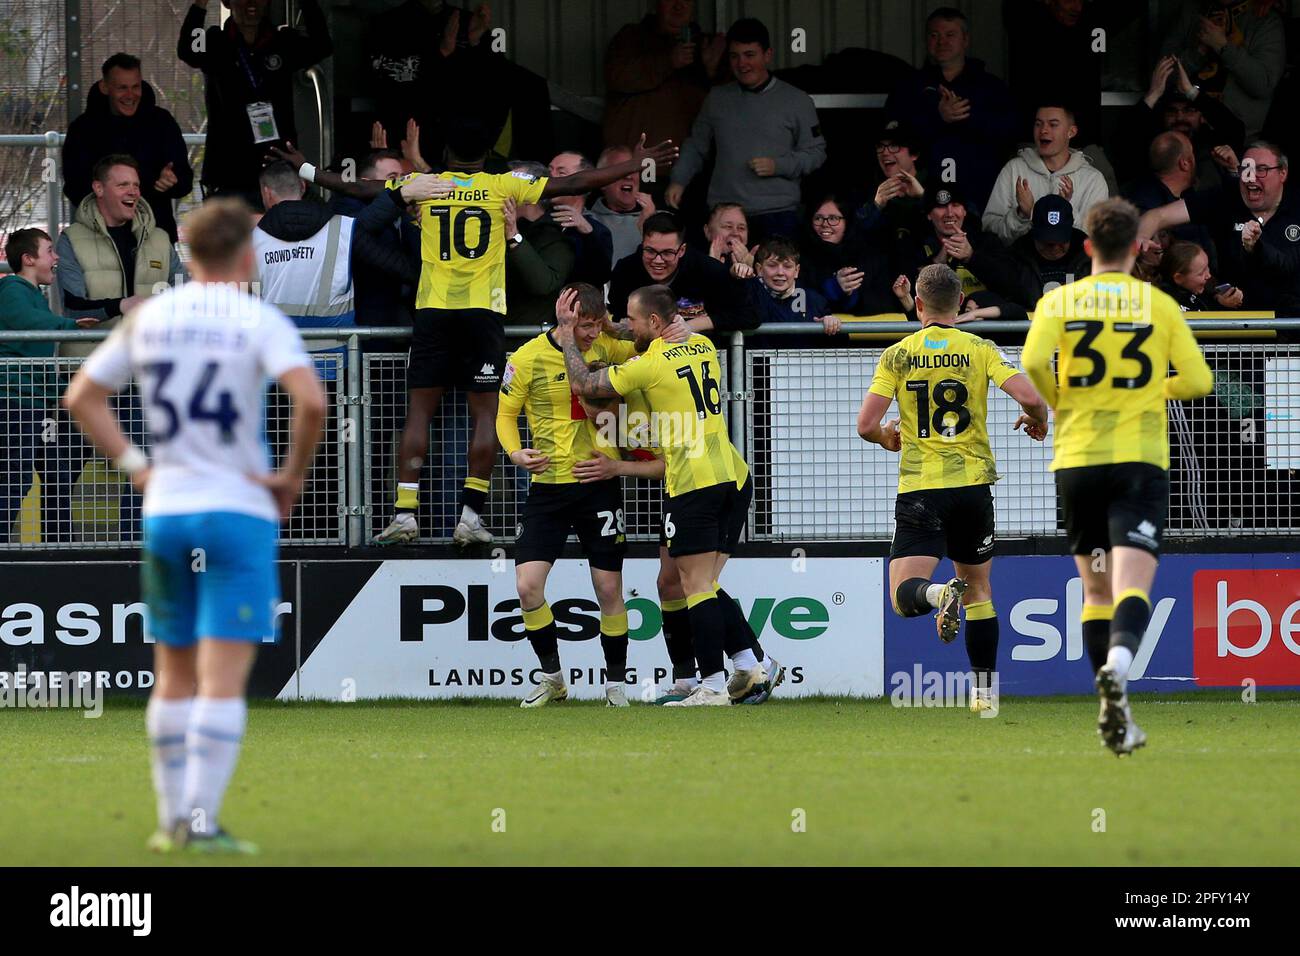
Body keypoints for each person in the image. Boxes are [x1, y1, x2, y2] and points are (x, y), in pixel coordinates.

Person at [62, 198, 327, 852]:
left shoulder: (153, 315)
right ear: (246, 255)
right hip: (236, 509)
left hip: (167, 510)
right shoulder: (257, 318)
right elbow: (313, 401)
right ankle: (201, 822)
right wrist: (290, 478)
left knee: (172, 673)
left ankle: (168, 820)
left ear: (185, 255)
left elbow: (81, 397)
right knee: (221, 679)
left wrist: (136, 467)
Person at [281, 121, 679, 546]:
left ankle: (404, 514)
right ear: (489, 151)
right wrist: (639, 161)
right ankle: (470, 517)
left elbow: (359, 189)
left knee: (419, 415)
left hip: (432, 312)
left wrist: (304, 168)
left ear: (446, 149)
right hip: (482, 315)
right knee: (486, 416)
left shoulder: (424, 182)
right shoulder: (502, 184)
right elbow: (578, 181)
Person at [1022, 198, 1213, 755]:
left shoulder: (1060, 301)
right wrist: (1156, 391)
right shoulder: (1158, 304)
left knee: (1096, 589)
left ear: (1087, 247)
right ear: (1137, 248)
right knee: (1134, 584)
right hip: (1137, 460)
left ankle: (1113, 707)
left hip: (1078, 462)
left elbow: (1033, 365)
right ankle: (1122, 668)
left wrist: (1060, 402)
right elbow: (1199, 381)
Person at [557, 283, 775, 706]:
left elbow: (583, 384)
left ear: (655, 323)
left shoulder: (649, 366)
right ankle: (751, 664)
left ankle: (710, 686)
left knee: (695, 585)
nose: (627, 326)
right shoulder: (702, 347)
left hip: (693, 481)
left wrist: (568, 335)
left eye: (633, 319)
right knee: (704, 583)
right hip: (732, 473)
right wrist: (615, 323)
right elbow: (646, 330)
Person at [856, 263, 1049, 712]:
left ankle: (939, 594)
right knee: (980, 591)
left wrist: (887, 436)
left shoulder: (899, 354)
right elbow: (1032, 398)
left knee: (905, 597)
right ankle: (984, 698)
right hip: (974, 489)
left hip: (923, 489)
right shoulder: (980, 347)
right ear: (961, 304)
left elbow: (866, 424)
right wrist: (1038, 421)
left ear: (918, 304)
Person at [498, 283, 686, 707]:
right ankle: (553, 679)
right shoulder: (527, 358)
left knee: (608, 589)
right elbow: (505, 416)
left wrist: (679, 331)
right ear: (564, 319)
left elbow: (651, 349)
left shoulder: (609, 346)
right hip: (547, 488)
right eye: (582, 326)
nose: (589, 334)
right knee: (528, 587)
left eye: (594, 325)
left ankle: (615, 688)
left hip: (597, 484)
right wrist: (515, 452)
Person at [665, 17, 826, 243]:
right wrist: (679, 180)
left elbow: (816, 152)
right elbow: (696, 145)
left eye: (750, 55)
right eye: (734, 56)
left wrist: (778, 165)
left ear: (767, 55)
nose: (742, 64)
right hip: (725, 214)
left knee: (775, 277)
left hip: (777, 213)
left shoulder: (797, 100)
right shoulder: (717, 98)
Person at [178, 0, 332, 206]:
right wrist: (201, 4)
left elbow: (322, 45)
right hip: (228, 167)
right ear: (227, 2)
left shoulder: (282, 41)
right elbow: (187, 50)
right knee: (234, 236)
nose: (251, 3)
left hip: (276, 163)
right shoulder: (215, 43)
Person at [0, 230, 96, 542]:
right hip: (15, 403)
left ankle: (60, 548)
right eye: (50, 251)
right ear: (28, 259)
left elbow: (39, 362)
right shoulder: (12, 289)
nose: (56, 258)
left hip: (37, 406)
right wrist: (68, 325)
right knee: (15, 478)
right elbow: (26, 323)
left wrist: (67, 394)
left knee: (56, 471)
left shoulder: (35, 297)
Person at [1137, 141, 1300, 310]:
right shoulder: (1225, 198)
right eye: (1246, 169)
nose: (1251, 176)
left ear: (1282, 173)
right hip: (1234, 322)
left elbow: (1286, 265)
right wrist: (1139, 240)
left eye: (1261, 169)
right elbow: (1157, 216)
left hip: (1291, 323)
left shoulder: (1296, 206)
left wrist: (1256, 247)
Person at [884, 6, 1019, 210]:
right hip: (921, 194)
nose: (942, 42)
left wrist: (967, 116)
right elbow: (891, 136)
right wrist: (937, 118)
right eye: (934, 35)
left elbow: (1011, 132)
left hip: (980, 192)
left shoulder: (991, 86)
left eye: (950, 35)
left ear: (965, 40)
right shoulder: (909, 87)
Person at [56, 155, 185, 356]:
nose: (133, 191)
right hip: (91, 366)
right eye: (123, 185)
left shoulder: (160, 238)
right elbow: (74, 310)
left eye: (136, 185)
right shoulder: (70, 239)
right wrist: (120, 305)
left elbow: (184, 295)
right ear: (99, 189)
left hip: (149, 363)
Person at [62, 53, 194, 243]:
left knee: (175, 274)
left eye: (135, 87)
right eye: (122, 88)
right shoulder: (83, 129)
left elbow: (185, 179)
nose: (130, 95)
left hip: (155, 235)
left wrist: (172, 181)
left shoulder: (161, 122)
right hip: (101, 239)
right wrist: (111, 199)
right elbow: (74, 187)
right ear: (105, 87)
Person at [603, 0, 727, 165]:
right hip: (644, 164)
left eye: (686, 1)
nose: (679, 6)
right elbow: (617, 77)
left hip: (688, 169)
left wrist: (712, 72)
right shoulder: (632, 37)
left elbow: (731, 109)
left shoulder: (706, 46)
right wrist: (669, 61)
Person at [607, 212, 756, 334]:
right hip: (642, 357)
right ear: (643, 244)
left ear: (682, 250)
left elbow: (750, 315)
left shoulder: (705, 268)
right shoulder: (626, 269)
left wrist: (692, 326)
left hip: (698, 357)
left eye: (667, 253)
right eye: (650, 251)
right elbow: (616, 315)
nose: (658, 260)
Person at [983, 105, 1110, 245]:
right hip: (1020, 263)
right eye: (1038, 124)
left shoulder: (1093, 179)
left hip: (1072, 266)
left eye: (1053, 124)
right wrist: (1020, 214)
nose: (1043, 130)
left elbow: (1097, 241)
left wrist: (1065, 209)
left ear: (1071, 132)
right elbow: (989, 231)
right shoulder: (1014, 169)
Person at [1160, 0, 1286, 140]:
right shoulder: (1190, 12)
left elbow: (1263, 85)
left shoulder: (1264, 19)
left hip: (1237, 140)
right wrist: (1200, 50)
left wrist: (1223, 46)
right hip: (1182, 134)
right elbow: (1163, 78)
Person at [803, 194, 898, 316]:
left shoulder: (866, 254)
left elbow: (879, 302)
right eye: (818, 218)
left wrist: (850, 295)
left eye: (833, 218)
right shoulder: (801, 256)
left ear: (846, 222)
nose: (825, 224)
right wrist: (833, 287)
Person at [730, 236, 841, 335]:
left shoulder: (815, 301)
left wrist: (831, 325)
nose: (780, 272)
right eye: (772, 265)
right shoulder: (749, 292)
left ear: (797, 271)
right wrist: (736, 277)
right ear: (759, 269)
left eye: (787, 266)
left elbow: (836, 348)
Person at [545, 151, 614, 288]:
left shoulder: (597, 232)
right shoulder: (535, 220)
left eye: (561, 173)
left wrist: (588, 234)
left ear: (583, 185)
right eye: (549, 171)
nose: (550, 178)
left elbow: (600, 276)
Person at [587, 145, 656, 265]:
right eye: (620, 169)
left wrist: (653, 225)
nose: (628, 176)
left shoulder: (663, 219)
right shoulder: (587, 221)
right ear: (602, 182)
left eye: (633, 169)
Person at [1158, 239, 1243, 310]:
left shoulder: (1204, 292)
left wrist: (1222, 302)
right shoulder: (1167, 305)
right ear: (1179, 278)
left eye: (1207, 267)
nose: (1208, 275)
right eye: (1201, 273)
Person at [699, 202, 753, 271]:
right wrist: (712, 267)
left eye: (741, 228)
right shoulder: (693, 263)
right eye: (728, 227)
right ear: (708, 231)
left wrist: (747, 271)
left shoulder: (760, 263)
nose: (735, 233)